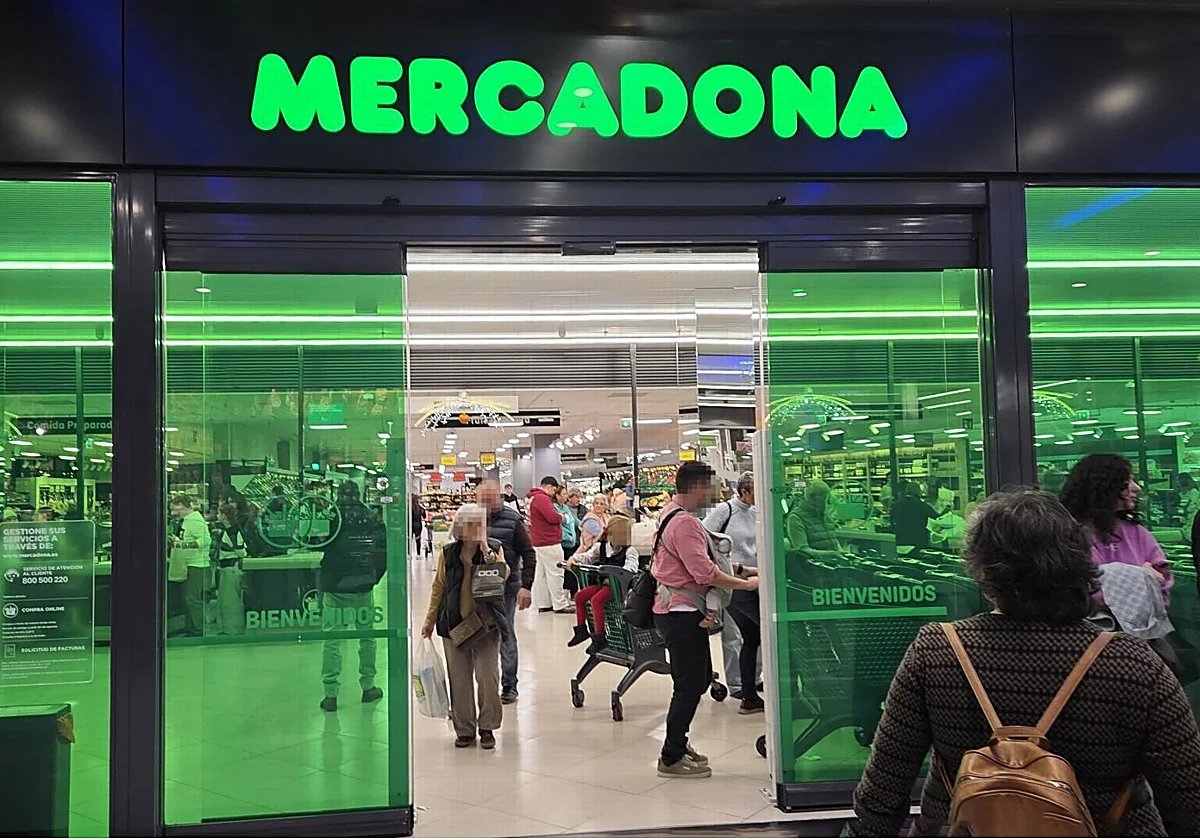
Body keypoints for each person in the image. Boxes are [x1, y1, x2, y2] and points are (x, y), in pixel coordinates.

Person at [847, 490, 1200, 837]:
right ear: (1079, 563)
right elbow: (1189, 802)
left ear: (983, 572)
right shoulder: (1132, 664)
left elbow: (882, 796)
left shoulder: (937, 652)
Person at [652, 461, 759, 779]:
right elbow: (704, 572)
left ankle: (679, 742)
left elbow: (707, 559)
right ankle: (670, 756)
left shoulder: (670, 513)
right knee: (688, 686)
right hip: (682, 613)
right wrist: (745, 584)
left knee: (697, 680)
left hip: (678, 611)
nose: (715, 494)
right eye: (711, 487)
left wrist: (741, 570)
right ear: (698, 487)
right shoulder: (685, 523)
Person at [422, 503, 507, 749]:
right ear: (459, 527)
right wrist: (429, 619)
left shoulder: (493, 548)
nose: (477, 529)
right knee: (459, 679)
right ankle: (464, 729)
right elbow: (438, 586)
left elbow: (504, 574)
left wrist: (486, 550)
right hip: (455, 623)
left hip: (486, 624)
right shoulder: (448, 553)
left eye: (480, 524)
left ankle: (488, 726)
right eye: (471, 524)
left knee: (488, 676)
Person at [1060, 454, 1173, 602]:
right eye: (1127, 482)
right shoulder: (1073, 534)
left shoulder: (1137, 532)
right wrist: (1144, 577)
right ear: (1104, 486)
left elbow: (1164, 579)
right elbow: (1088, 588)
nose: (1137, 488)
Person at [318, 482, 387, 712]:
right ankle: (368, 686)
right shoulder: (371, 516)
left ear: (338, 494)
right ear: (358, 494)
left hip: (334, 588)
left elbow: (317, 542)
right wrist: (373, 578)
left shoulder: (331, 515)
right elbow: (383, 548)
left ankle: (330, 694)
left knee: (332, 640)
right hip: (362, 587)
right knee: (367, 638)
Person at [705, 471, 763, 714]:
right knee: (734, 635)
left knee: (753, 636)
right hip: (732, 580)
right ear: (744, 491)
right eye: (755, 490)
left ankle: (753, 681)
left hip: (755, 578)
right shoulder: (725, 511)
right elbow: (705, 536)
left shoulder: (756, 512)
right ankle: (737, 684)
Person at [476, 480, 535, 704]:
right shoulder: (472, 518)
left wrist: (526, 586)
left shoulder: (513, 521)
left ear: (498, 497)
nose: (484, 504)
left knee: (505, 633)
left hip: (506, 589)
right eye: (481, 500)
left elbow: (528, 553)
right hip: (476, 588)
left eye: (488, 499)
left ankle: (509, 685)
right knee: (478, 635)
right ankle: (484, 684)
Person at [565, 513, 640, 651]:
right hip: (602, 584)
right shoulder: (601, 547)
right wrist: (574, 558)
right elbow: (587, 557)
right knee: (579, 596)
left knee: (596, 600)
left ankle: (599, 637)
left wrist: (615, 571)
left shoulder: (630, 551)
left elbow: (631, 569)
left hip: (617, 587)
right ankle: (581, 630)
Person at [168, 495, 212, 637]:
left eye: (175, 509)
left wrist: (183, 545)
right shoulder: (187, 521)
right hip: (189, 565)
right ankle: (191, 627)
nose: (174, 512)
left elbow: (206, 540)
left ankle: (198, 630)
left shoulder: (195, 521)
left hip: (197, 565)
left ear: (182, 505)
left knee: (193, 600)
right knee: (189, 599)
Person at [527, 476, 570, 613]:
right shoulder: (542, 498)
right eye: (554, 490)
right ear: (549, 487)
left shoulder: (533, 498)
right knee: (556, 572)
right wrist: (561, 516)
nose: (553, 494)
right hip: (549, 541)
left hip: (538, 541)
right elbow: (552, 517)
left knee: (542, 575)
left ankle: (544, 603)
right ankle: (560, 604)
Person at [211, 503, 247, 635]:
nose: (217, 516)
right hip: (228, 569)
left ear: (224, 516)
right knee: (225, 600)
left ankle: (233, 630)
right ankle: (227, 628)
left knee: (231, 601)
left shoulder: (232, 532)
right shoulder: (230, 531)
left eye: (219, 513)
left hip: (231, 569)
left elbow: (241, 552)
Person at [787, 480, 844, 560]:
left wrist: (841, 551)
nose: (827, 502)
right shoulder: (796, 518)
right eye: (824, 498)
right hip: (814, 566)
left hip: (834, 563)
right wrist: (830, 554)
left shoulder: (825, 515)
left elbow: (833, 540)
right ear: (811, 498)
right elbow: (802, 551)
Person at [890, 481, 938, 554]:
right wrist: (946, 511)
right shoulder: (922, 506)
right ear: (918, 492)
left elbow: (892, 520)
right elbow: (936, 518)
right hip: (918, 542)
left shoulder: (896, 504)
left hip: (900, 542)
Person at [556, 486, 581, 595]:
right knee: (564, 570)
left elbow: (574, 520)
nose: (566, 496)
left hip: (572, 543)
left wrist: (583, 526)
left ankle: (573, 592)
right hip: (563, 543)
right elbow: (558, 525)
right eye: (564, 494)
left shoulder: (565, 507)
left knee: (572, 568)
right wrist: (567, 537)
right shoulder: (554, 508)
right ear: (557, 496)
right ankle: (564, 592)